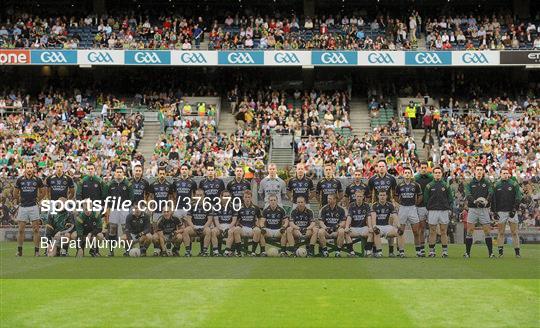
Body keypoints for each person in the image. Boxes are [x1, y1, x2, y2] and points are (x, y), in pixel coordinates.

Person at [14, 162, 44, 257]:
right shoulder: (20, 180)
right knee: (21, 230)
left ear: (33, 169)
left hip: (33, 207)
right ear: (25, 169)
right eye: (28, 167)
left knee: (36, 230)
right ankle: (19, 251)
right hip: (23, 207)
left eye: (31, 167)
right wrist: (19, 200)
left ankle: (36, 251)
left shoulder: (38, 180)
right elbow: (15, 193)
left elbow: (43, 192)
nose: (29, 169)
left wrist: (38, 199)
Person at [464, 164, 495, 258]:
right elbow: (468, 194)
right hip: (473, 209)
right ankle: (467, 253)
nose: (479, 171)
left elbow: (490, 193)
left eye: (481, 170)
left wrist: (486, 201)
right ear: (475, 171)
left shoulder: (487, 182)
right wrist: (475, 201)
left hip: (484, 209)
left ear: (483, 171)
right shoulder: (469, 183)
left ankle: (491, 253)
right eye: (477, 170)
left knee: (487, 231)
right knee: (469, 231)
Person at [424, 167, 454, 258]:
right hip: (432, 211)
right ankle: (431, 251)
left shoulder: (446, 185)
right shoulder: (429, 186)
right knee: (432, 231)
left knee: (443, 231)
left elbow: (450, 198)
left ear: (441, 174)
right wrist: (428, 207)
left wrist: (449, 208)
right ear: (433, 174)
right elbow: (426, 199)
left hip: (444, 210)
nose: (437, 174)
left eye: (439, 172)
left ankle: (444, 251)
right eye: (436, 172)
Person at [492, 168, 522, 258]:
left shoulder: (514, 184)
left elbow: (518, 196)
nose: (506, 175)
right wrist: (494, 211)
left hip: (512, 211)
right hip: (501, 212)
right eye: (504, 173)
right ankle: (500, 253)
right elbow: (493, 199)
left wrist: (514, 209)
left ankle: (517, 253)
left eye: (507, 173)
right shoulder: (496, 184)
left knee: (514, 232)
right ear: (500, 174)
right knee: (501, 232)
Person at [104, 166, 133, 257]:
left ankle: (127, 250)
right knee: (112, 230)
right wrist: (108, 209)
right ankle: (111, 251)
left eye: (121, 172)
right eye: (117, 172)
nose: (119, 173)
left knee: (125, 230)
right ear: (115, 173)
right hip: (114, 209)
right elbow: (107, 198)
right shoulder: (110, 184)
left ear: (123, 173)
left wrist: (127, 207)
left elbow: (131, 198)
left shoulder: (128, 184)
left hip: (124, 209)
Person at [395, 167, 423, 257]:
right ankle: (401, 251)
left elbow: (420, 196)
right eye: (405, 172)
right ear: (403, 174)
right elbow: (396, 196)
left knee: (416, 231)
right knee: (400, 231)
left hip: (412, 208)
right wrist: (400, 204)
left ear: (411, 174)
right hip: (403, 208)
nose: (407, 174)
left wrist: (416, 203)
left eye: (408, 172)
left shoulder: (416, 185)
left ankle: (418, 251)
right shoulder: (399, 185)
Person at [149, 167, 173, 255]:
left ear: (166, 174)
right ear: (157, 174)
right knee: (156, 232)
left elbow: (170, 198)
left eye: (163, 174)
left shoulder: (169, 185)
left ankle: (168, 249)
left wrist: (171, 209)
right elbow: (151, 197)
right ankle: (157, 249)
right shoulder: (153, 185)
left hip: (166, 212)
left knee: (166, 231)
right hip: (156, 211)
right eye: (160, 174)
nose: (162, 175)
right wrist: (151, 208)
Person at [371, 190, 402, 258]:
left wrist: (399, 226)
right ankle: (379, 252)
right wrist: (374, 226)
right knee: (376, 232)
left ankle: (400, 252)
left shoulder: (390, 205)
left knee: (399, 232)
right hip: (378, 225)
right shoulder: (375, 205)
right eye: (381, 195)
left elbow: (394, 216)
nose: (382, 197)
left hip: (387, 226)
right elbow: (373, 217)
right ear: (378, 196)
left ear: (386, 196)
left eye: (384, 195)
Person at [182, 189, 214, 256]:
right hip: (194, 226)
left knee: (208, 231)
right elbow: (189, 219)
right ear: (194, 196)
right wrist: (193, 227)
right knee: (185, 231)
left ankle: (204, 251)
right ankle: (188, 251)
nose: (199, 196)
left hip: (204, 226)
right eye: (197, 195)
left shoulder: (208, 205)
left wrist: (204, 227)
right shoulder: (191, 205)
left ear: (204, 196)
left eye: (201, 195)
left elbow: (210, 219)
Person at [232, 190, 263, 256]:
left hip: (252, 228)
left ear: (251, 198)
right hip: (242, 228)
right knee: (236, 230)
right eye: (246, 197)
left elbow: (260, 218)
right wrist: (237, 225)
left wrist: (259, 224)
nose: (247, 199)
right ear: (243, 198)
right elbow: (236, 219)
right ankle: (239, 252)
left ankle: (253, 252)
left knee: (258, 230)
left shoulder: (256, 208)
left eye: (249, 197)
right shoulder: (239, 208)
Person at [345, 191, 373, 257]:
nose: (359, 198)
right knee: (346, 232)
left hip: (363, 227)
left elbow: (368, 217)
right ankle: (351, 252)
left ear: (363, 197)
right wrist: (346, 227)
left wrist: (370, 227)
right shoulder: (351, 205)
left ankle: (368, 251)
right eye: (358, 196)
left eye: (360, 196)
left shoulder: (366, 205)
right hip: (354, 228)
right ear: (355, 197)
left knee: (371, 232)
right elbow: (349, 217)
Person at [414, 162, 433, 256]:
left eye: (425, 167)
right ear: (419, 168)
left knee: (431, 228)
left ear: (427, 168)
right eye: (422, 167)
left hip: (431, 207)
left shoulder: (431, 178)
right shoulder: (416, 179)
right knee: (421, 228)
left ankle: (431, 250)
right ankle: (421, 249)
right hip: (420, 206)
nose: (424, 169)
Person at [212, 190, 237, 256]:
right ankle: (215, 251)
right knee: (213, 231)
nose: (227, 198)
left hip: (230, 225)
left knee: (231, 232)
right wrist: (220, 228)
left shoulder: (233, 206)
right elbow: (216, 220)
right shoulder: (216, 207)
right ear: (221, 197)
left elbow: (234, 221)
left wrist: (228, 228)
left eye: (228, 196)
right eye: (225, 196)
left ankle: (227, 251)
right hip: (219, 225)